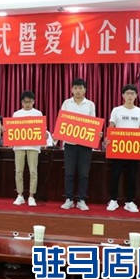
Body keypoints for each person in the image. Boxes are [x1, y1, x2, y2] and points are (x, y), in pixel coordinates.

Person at [106, 84, 140, 213]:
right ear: (123, 95)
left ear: (136, 96)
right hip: (118, 148)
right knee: (115, 175)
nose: (130, 96)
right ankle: (113, 200)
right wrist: (108, 139)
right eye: (127, 93)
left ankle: (130, 201)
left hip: (134, 149)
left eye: (132, 93)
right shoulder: (116, 110)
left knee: (132, 176)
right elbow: (111, 126)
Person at [60, 78, 96, 211]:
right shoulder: (66, 103)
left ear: (85, 90)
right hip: (70, 144)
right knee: (69, 173)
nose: (78, 91)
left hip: (85, 145)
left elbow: (93, 123)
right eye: (75, 88)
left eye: (80, 88)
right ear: (71, 89)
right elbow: (62, 121)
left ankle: (81, 199)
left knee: (83, 174)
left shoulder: (90, 105)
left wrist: (96, 132)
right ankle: (69, 199)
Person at [12, 91, 43, 207]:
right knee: (18, 171)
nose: (27, 104)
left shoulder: (38, 114)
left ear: (33, 102)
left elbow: (41, 130)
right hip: (19, 146)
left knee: (33, 171)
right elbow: (12, 130)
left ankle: (31, 196)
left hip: (33, 146)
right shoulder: (16, 114)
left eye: (30, 101)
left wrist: (44, 134)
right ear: (21, 102)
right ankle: (20, 195)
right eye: (25, 102)